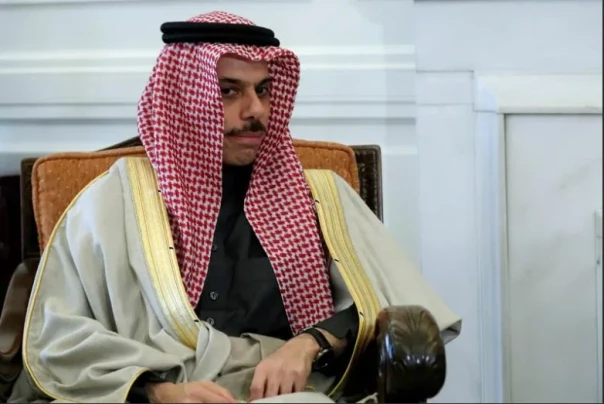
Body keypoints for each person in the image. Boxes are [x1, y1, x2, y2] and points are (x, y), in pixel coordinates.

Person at [7, 11, 462, 404]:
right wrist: (159, 392)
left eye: (264, 90)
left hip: (291, 392)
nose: (255, 110)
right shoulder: (114, 200)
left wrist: (310, 343)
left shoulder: (321, 194)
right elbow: (60, 335)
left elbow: (381, 302)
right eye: (229, 92)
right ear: (186, 100)